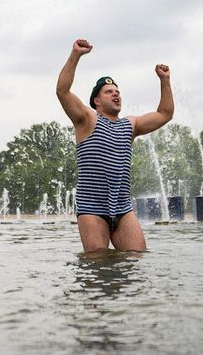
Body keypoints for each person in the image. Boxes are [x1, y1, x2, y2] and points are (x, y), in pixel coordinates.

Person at [56, 38, 174, 252]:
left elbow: (165, 114)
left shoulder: (130, 125)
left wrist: (164, 81)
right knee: (97, 266)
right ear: (97, 101)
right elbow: (62, 92)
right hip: (92, 209)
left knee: (136, 258)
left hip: (122, 209)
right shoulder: (86, 120)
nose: (116, 93)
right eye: (109, 92)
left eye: (117, 91)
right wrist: (76, 55)